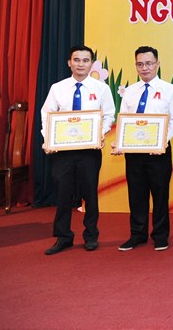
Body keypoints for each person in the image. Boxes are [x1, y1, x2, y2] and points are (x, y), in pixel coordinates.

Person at [41, 45, 115, 255]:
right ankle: (63, 237)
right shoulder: (58, 88)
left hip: (89, 150)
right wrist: (48, 140)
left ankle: (91, 236)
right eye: (76, 60)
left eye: (85, 60)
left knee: (90, 194)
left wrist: (99, 134)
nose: (80, 64)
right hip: (62, 151)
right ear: (69, 63)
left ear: (91, 63)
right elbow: (47, 115)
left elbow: (109, 115)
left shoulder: (101, 89)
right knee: (62, 194)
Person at [113, 46, 173, 251]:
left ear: (157, 64)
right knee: (136, 193)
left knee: (160, 194)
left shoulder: (169, 89)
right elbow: (124, 119)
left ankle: (160, 235)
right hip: (134, 152)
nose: (144, 68)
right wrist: (120, 142)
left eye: (149, 63)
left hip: (159, 152)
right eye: (140, 64)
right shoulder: (130, 91)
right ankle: (137, 234)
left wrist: (163, 141)